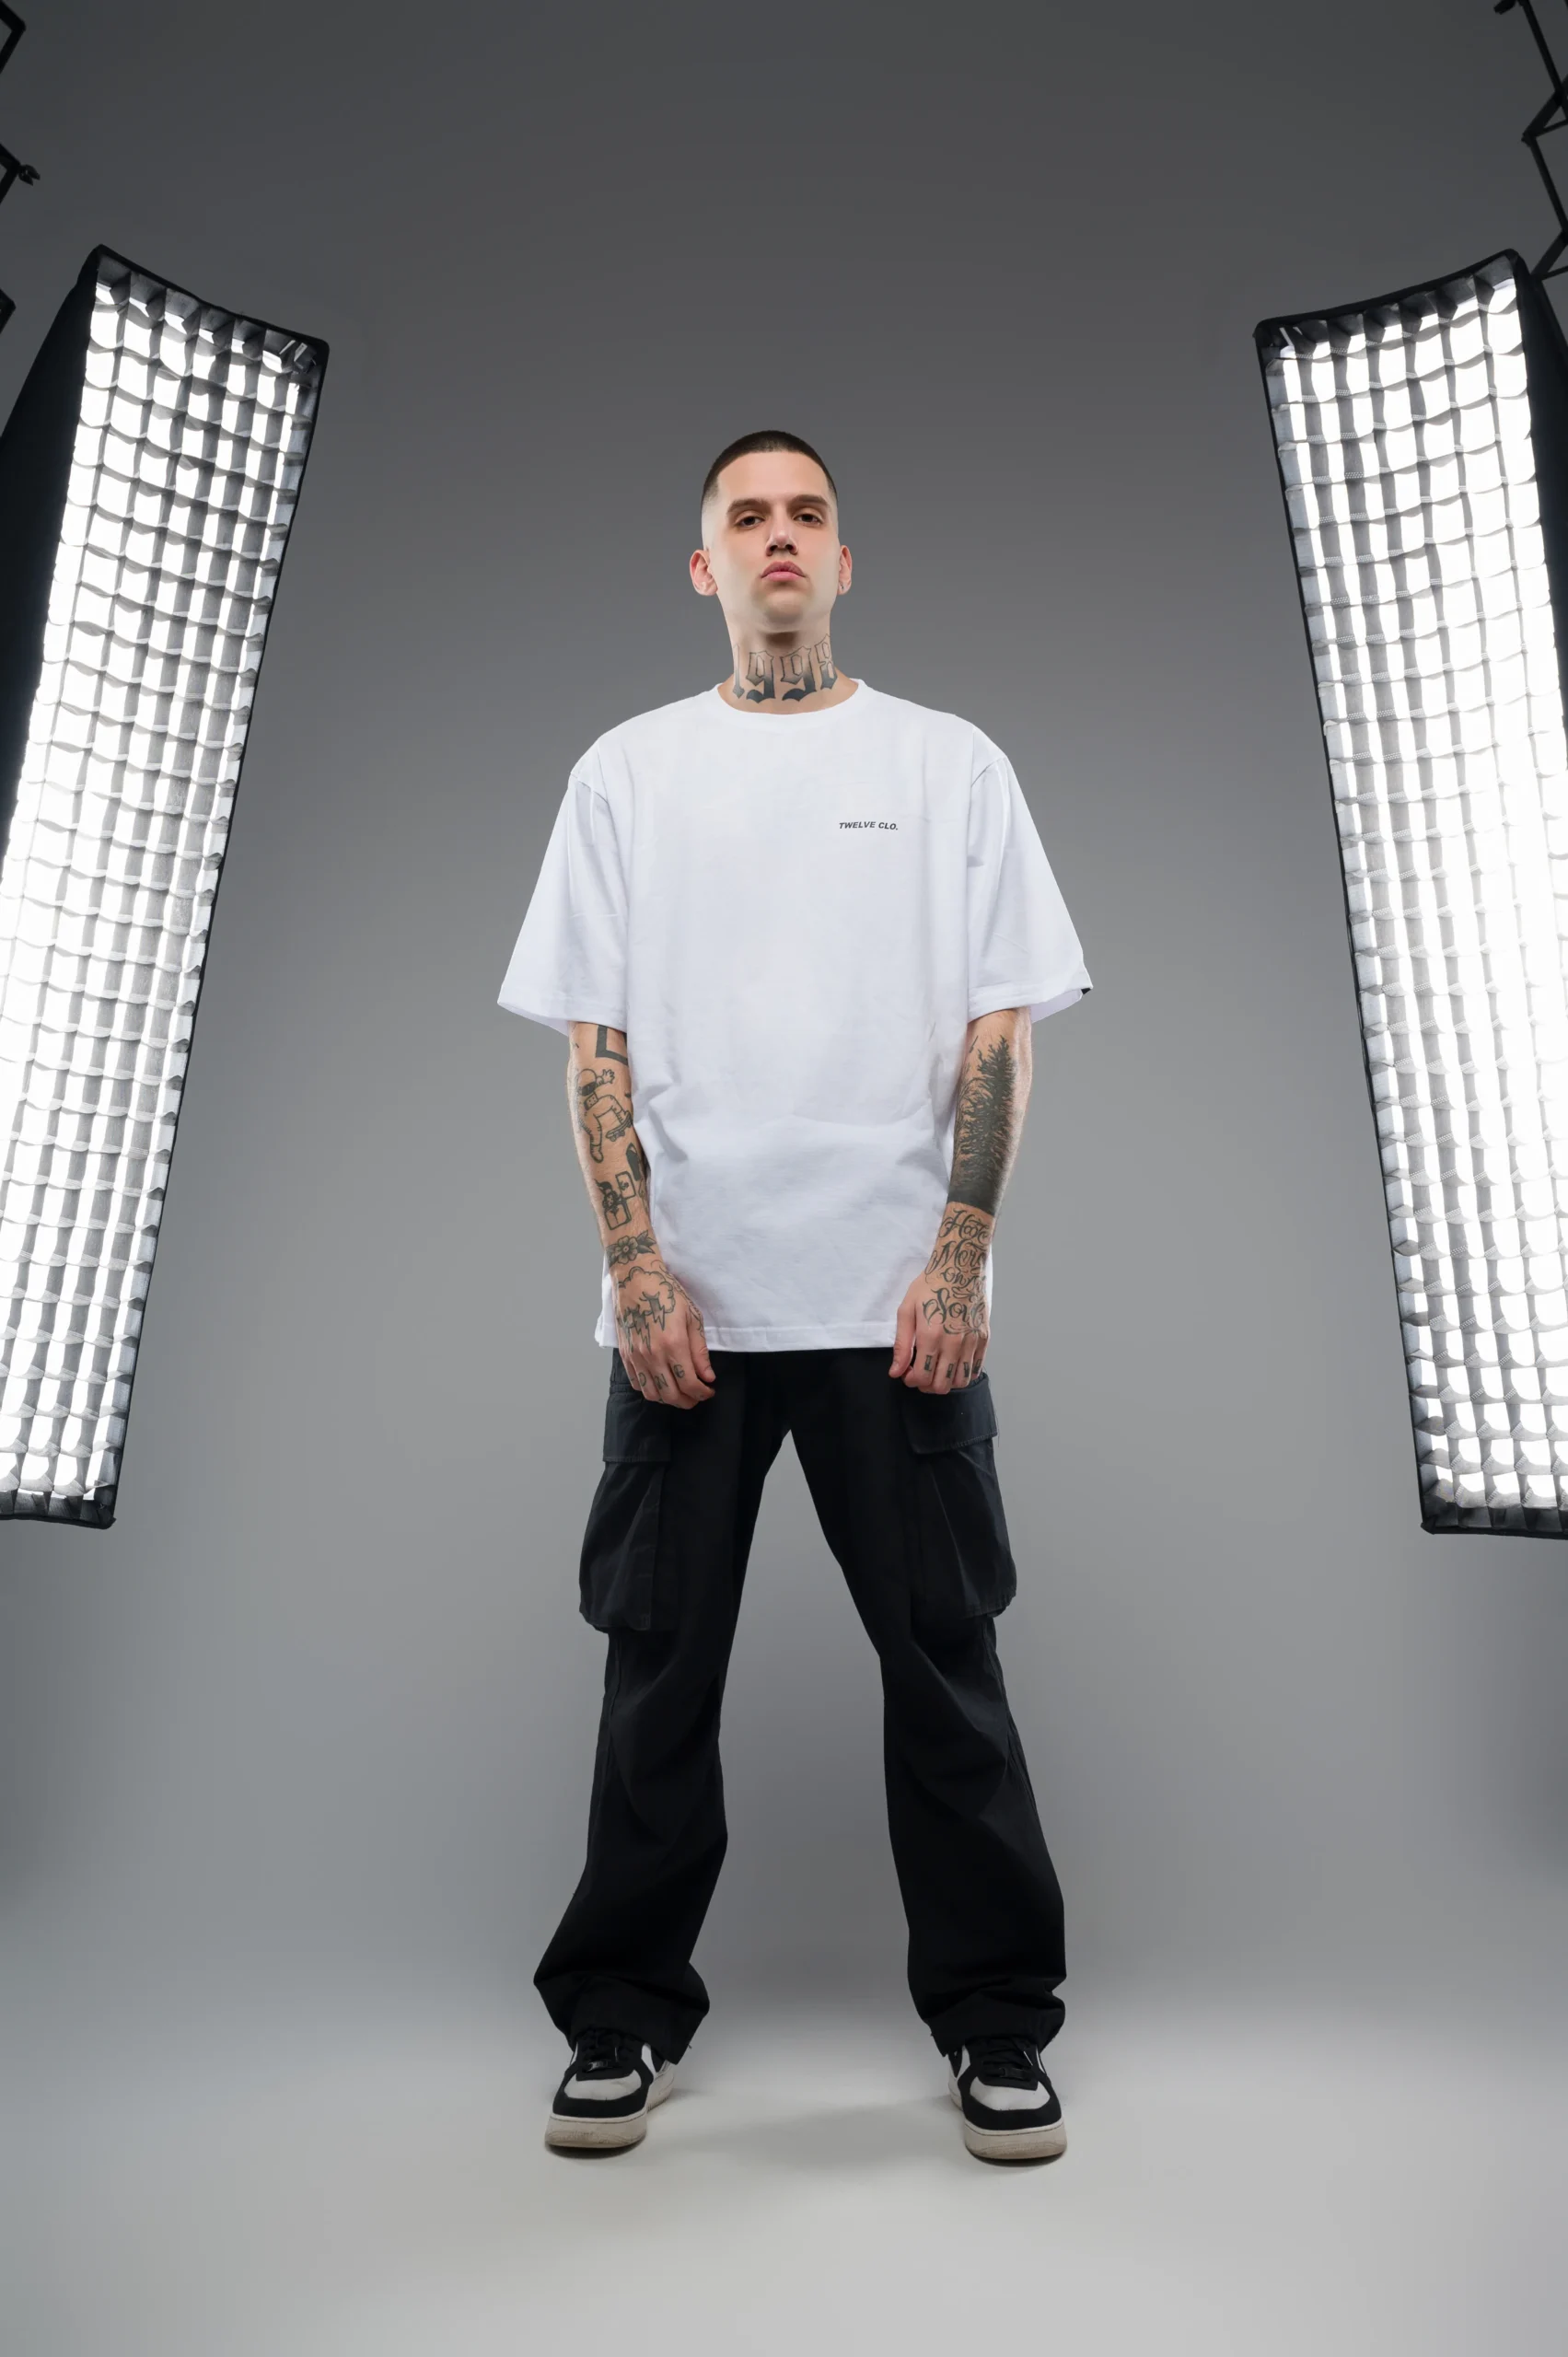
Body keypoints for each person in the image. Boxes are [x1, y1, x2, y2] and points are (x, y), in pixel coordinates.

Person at [496, 430, 1091, 2163]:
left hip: (898, 1305)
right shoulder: (627, 772)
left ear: (843, 562)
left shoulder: (949, 763)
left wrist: (960, 1254)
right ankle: (619, 2014)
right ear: (704, 568)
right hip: (687, 1308)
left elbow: (999, 1027)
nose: (779, 537)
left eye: (806, 515)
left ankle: (995, 2023)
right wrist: (634, 1266)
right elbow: (593, 1045)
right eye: (746, 517)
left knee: (947, 1671)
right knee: (657, 1674)